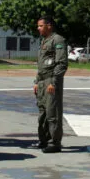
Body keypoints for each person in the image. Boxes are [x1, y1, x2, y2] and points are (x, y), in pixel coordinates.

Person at [33, 15, 68, 153]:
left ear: (49, 26)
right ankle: (44, 140)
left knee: (53, 113)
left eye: (41, 26)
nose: (38, 28)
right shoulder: (44, 41)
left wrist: (53, 82)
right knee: (43, 113)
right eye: (38, 26)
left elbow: (62, 63)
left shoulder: (58, 40)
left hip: (51, 81)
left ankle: (55, 142)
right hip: (42, 82)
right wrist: (36, 82)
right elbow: (41, 65)